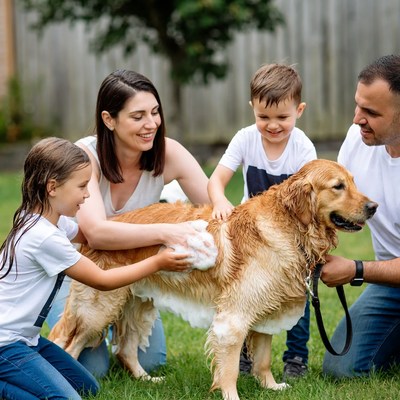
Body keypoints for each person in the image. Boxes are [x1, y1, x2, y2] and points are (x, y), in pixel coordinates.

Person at [46, 69, 211, 378]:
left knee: (152, 362)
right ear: (109, 120)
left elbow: (215, 206)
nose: (151, 124)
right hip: (78, 272)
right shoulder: (84, 156)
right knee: (89, 368)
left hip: (134, 271)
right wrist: (166, 230)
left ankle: (119, 337)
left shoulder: (168, 152)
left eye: (155, 112)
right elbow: (95, 233)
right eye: (137, 117)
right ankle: (92, 333)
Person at [0, 137, 192, 400]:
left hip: (26, 339)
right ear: (53, 187)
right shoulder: (44, 237)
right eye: (81, 186)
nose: (88, 194)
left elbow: (94, 235)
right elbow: (102, 279)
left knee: (88, 387)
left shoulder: (50, 221)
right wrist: (157, 262)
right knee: (65, 398)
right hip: (6, 344)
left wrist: (158, 226)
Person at [207, 63, 317, 380]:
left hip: (290, 237)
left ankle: (296, 356)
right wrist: (220, 200)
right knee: (244, 294)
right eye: (263, 117)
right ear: (252, 109)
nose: (272, 125)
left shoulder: (302, 148)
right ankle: (242, 353)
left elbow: (307, 199)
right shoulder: (245, 139)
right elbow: (216, 180)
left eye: (282, 118)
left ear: (299, 110)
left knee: (300, 294)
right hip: (251, 235)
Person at [320, 54, 400, 378]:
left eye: (371, 112)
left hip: (378, 272)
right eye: (358, 106)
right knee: (341, 368)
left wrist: (355, 269)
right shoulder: (357, 141)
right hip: (390, 284)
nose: (356, 119)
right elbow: (331, 203)